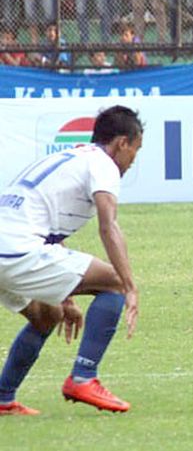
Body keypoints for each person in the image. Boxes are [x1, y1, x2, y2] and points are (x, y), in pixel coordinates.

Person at [0, 106, 142, 415]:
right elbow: (109, 226)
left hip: (8, 246)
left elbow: (48, 229)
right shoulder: (103, 164)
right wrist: (130, 286)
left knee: (46, 315)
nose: (133, 160)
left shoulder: (69, 157)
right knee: (114, 284)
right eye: (135, 149)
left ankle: (3, 398)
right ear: (121, 143)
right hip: (16, 251)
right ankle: (84, 377)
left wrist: (63, 295)